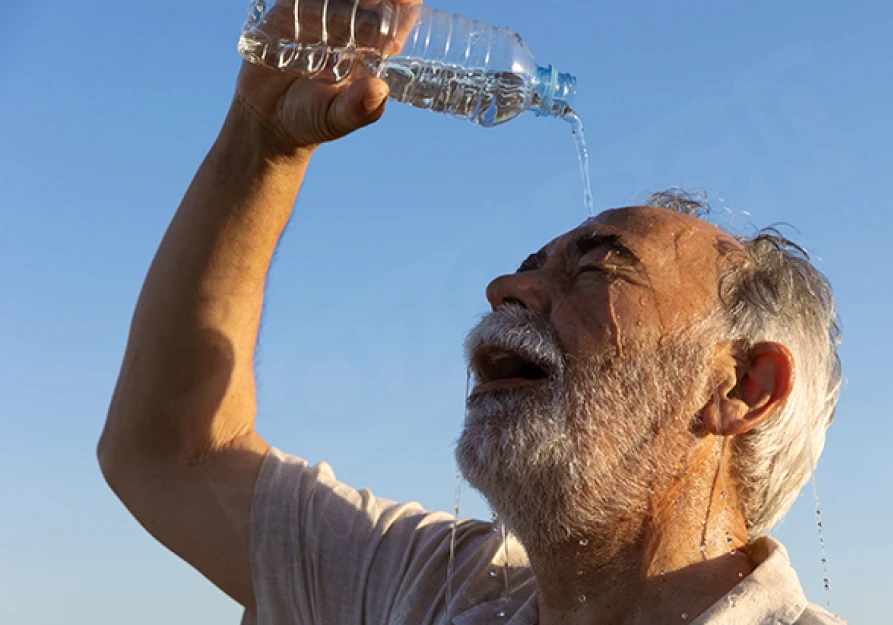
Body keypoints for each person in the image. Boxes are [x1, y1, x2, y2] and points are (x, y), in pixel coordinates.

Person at [97, 30, 846, 625]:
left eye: (597, 266)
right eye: (529, 263)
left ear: (743, 385)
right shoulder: (433, 590)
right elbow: (174, 449)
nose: (506, 287)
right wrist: (260, 140)